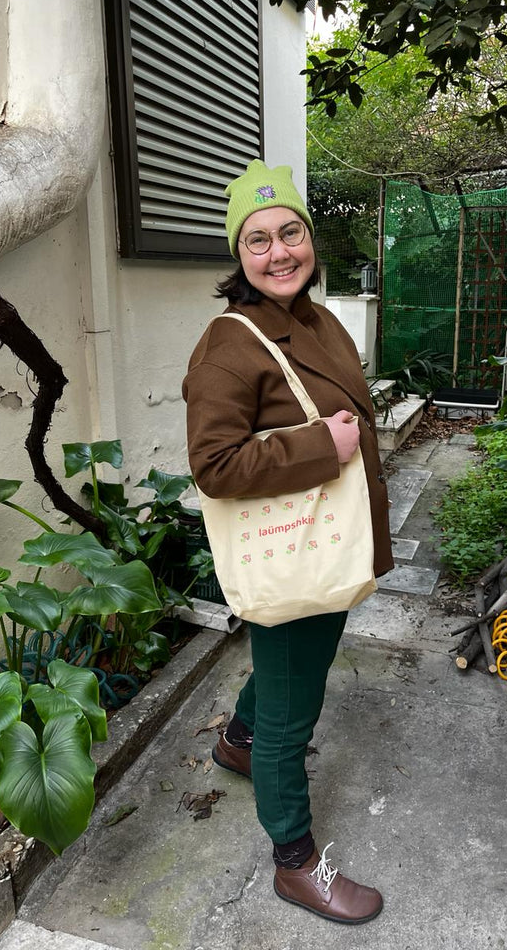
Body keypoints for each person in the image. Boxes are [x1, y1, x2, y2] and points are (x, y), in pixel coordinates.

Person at [182, 159, 393, 925]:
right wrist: (321, 449)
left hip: (329, 542)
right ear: (238, 257)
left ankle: (237, 740)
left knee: (291, 670)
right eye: (258, 240)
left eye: (290, 233)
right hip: (291, 547)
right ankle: (294, 861)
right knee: (292, 707)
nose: (279, 252)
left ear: (310, 237)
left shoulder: (316, 316)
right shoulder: (227, 345)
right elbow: (214, 465)